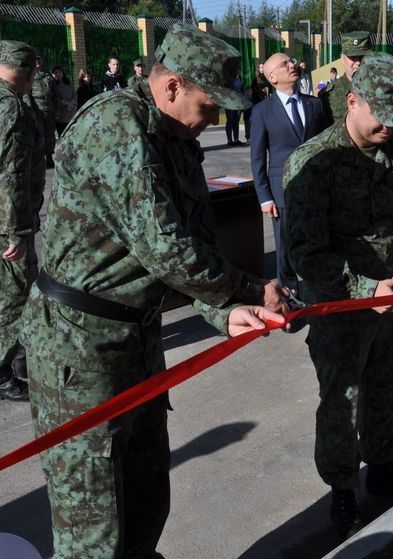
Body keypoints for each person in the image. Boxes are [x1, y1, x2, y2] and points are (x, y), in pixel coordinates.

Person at [21, 24, 287, 558]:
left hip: (138, 341)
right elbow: (166, 249)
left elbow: (194, 252)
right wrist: (250, 290)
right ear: (171, 88)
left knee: (146, 499)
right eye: (210, 105)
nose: (216, 120)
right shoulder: (117, 125)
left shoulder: (179, 141)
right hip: (79, 349)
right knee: (94, 526)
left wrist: (228, 312)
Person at [284, 52, 393, 538]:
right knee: (342, 400)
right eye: (382, 117)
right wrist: (363, 288)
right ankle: (341, 488)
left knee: (385, 387)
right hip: (339, 305)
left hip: (390, 302)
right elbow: (304, 254)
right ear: (352, 101)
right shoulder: (315, 163)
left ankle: (382, 464)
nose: (391, 128)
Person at [250, 52, 329, 296]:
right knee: (284, 251)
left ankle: (319, 295)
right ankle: (291, 298)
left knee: (318, 244)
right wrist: (264, 197)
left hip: (316, 190)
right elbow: (257, 158)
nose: (292, 65)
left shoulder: (315, 104)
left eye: (291, 61)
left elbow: (327, 146)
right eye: (284, 64)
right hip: (281, 192)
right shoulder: (262, 111)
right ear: (271, 77)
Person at [0, 41, 44, 402]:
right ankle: (3, 371)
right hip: (8, 223)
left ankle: (18, 359)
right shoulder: (11, 107)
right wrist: (16, 229)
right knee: (15, 296)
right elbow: (11, 174)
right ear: (26, 71)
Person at [319, 31, 371, 123]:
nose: (358, 62)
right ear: (342, 59)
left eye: (362, 57)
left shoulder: (380, 89)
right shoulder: (329, 95)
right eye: (353, 58)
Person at [31, 55, 55, 168]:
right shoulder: (29, 77)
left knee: (50, 135)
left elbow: (55, 94)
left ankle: (49, 157)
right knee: (39, 135)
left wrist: (57, 108)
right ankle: (39, 159)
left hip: (49, 108)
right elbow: (27, 94)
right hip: (37, 109)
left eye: (39, 62)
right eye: (36, 62)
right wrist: (31, 109)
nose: (38, 64)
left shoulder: (48, 77)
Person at [50, 64, 76, 136]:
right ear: (52, 74)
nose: (58, 74)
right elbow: (55, 98)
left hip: (71, 113)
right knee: (63, 135)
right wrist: (67, 103)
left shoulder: (68, 83)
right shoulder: (52, 86)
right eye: (56, 72)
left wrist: (72, 103)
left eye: (60, 72)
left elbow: (74, 95)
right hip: (61, 115)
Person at [225, 73, 245, 145]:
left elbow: (242, 90)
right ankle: (229, 140)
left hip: (239, 103)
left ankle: (236, 139)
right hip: (230, 103)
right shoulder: (227, 77)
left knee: (236, 121)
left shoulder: (239, 77)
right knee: (230, 121)